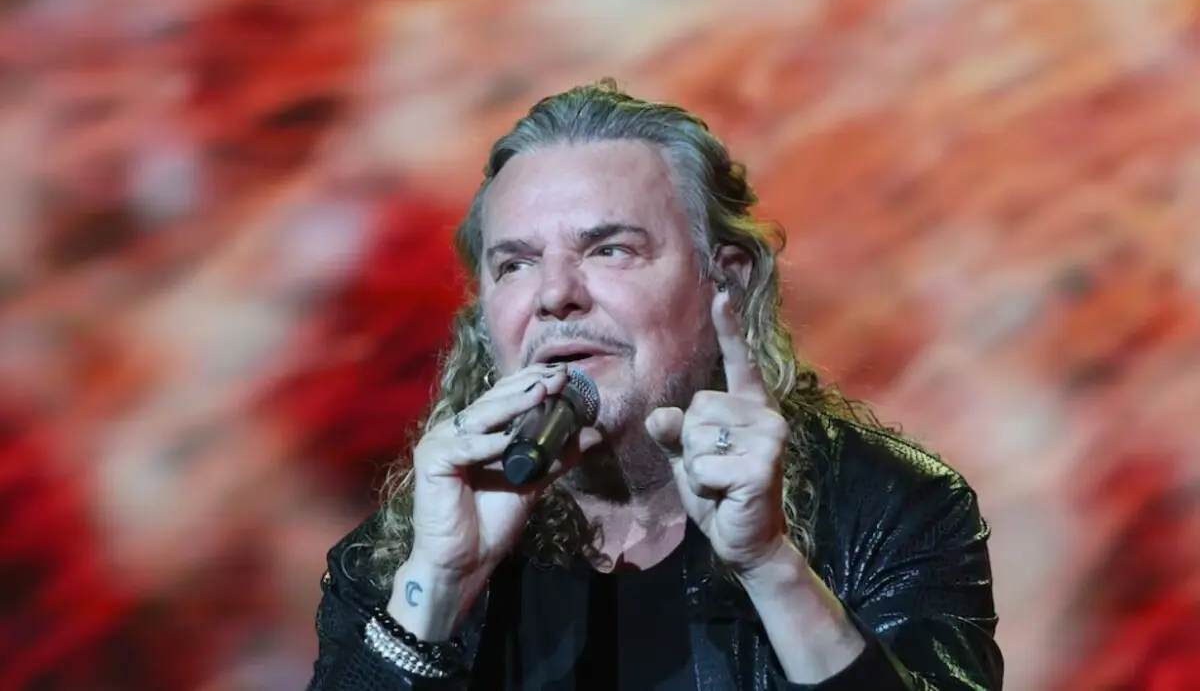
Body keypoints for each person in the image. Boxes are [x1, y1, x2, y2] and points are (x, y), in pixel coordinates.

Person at [305, 79, 1005, 690]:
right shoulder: (397, 558)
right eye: (515, 264)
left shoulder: (887, 514)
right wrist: (436, 592)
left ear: (724, 279)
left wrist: (770, 566)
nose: (554, 294)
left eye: (609, 250)